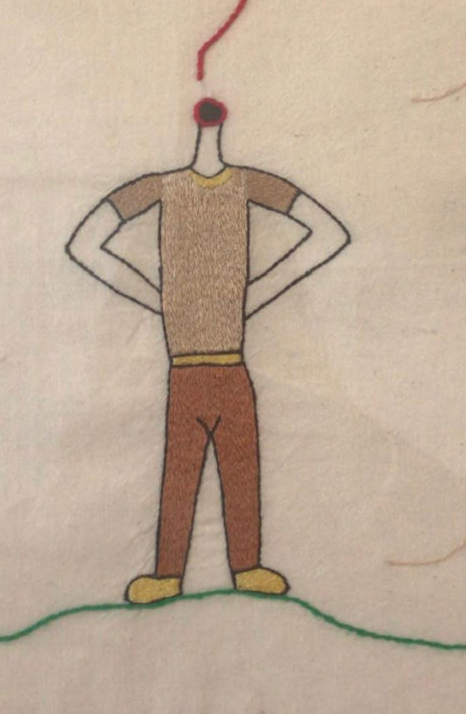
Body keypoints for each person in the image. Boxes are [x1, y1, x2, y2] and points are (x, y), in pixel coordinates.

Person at [66, 98, 350, 603]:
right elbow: (83, 244)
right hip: (188, 365)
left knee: (237, 468)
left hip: (226, 361)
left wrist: (256, 294)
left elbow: (330, 234)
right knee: (184, 470)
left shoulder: (241, 185)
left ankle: (242, 566)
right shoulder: (165, 188)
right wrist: (157, 298)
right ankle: (171, 573)